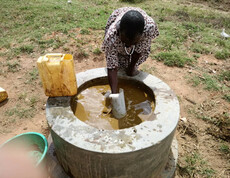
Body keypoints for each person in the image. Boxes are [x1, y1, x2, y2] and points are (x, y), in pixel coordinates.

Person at [102, 7, 159, 94]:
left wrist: (131, 69)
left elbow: (138, 52)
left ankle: (130, 68)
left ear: (141, 35)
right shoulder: (111, 36)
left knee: (132, 65)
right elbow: (112, 66)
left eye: (134, 42)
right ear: (119, 31)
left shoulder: (149, 29)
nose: (129, 45)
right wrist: (115, 94)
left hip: (140, 25)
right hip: (119, 17)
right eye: (125, 41)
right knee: (118, 61)